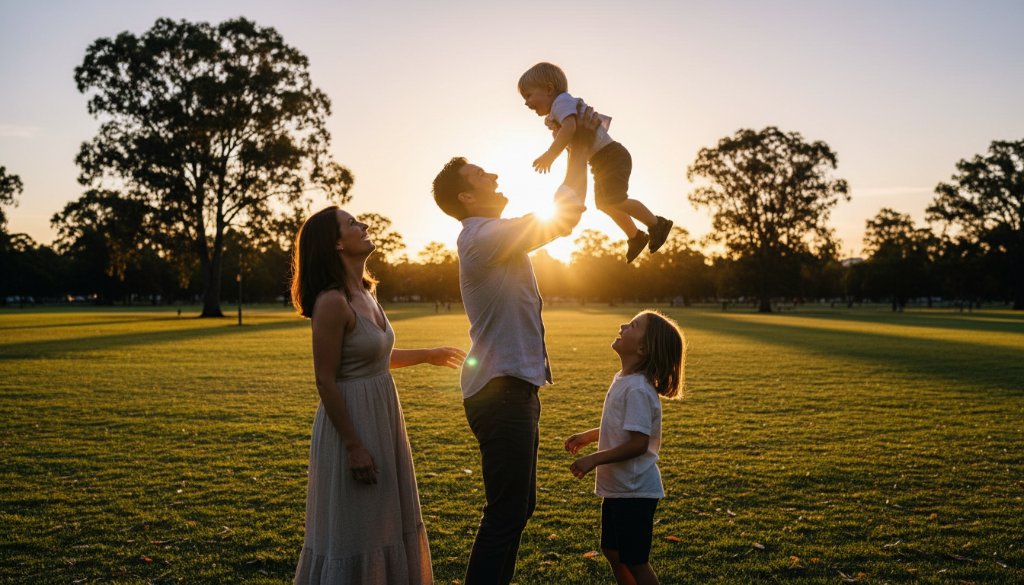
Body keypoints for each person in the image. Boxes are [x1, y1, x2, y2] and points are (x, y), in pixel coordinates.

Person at [431, 103, 599, 585]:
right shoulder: (482, 237)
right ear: (466, 196)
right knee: (507, 511)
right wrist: (579, 147)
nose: (494, 174)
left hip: (513, 388)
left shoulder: (489, 236)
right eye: (481, 174)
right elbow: (563, 217)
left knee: (519, 508)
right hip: (500, 392)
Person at [291, 206, 466, 585]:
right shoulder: (331, 302)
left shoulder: (367, 293)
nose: (364, 225)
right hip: (351, 424)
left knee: (385, 521)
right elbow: (326, 380)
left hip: (382, 416)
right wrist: (354, 446)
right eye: (352, 223)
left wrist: (429, 355)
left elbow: (374, 360)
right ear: (336, 243)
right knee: (358, 528)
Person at [564, 310, 686, 585]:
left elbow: (638, 444)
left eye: (633, 325)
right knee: (613, 551)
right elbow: (622, 426)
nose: (622, 326)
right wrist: (589, 436)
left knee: (635, 559)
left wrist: (593, 459)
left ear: (643, 347)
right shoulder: (625, 380)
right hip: (619, 488)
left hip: (635, 491)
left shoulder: (638, 389)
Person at [519, 61, 674, 263]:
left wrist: (550, 154)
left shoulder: (561, 102)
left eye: (528, 95)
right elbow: (571, 138)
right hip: (601, 161)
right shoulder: (557, 111)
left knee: (615, 198)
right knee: (605, 203)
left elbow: (570, 129)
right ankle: (635, 236)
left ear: (549, 89)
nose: (526, 102)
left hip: (611, 156)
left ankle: (656, 224)